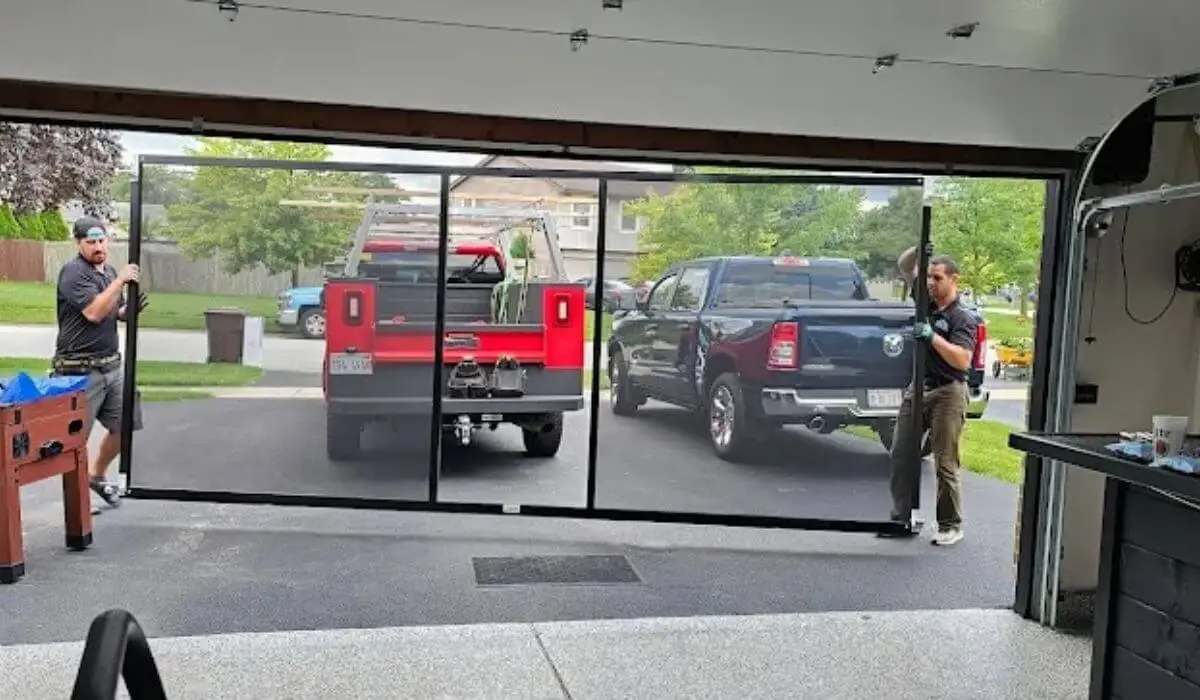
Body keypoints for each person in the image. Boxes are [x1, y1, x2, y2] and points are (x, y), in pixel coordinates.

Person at [51, 216, 147, 514]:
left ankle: (96, 475)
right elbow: (92, 312)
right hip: (78, 370)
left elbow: (107, 311)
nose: (97, 247)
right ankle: (77, 505)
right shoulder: (73, 273)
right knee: (74, 438)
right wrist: (121, 282)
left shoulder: (109, 273)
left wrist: (124, 312)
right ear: (78, 243)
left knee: (126, 423)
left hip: (111, 367)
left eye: (101, 241)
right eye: (90, 242)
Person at [886, 247, 978, 547]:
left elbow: (963, 360)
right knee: (901, 452)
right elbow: (903, 265)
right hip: (918, 388)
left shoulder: (963, 318)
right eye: (928, 277)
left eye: (937, 278)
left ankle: (951, 525)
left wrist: (933, 337)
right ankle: (901, 516)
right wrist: (918, 251)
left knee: (945, 462)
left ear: (954, 280)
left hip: (948, 392)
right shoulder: (925, 304)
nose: (930, 283)